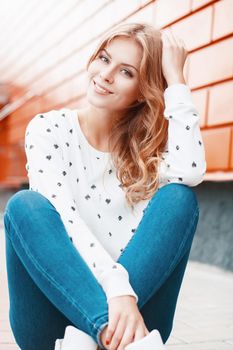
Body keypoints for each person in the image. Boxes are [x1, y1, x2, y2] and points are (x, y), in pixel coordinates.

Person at [3, 22, 206, 350]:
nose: (106, 74)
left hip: (134, 313)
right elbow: (65, 219)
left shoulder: (150, 152)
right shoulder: (49, 129)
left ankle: (93, 337)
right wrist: (116, 291)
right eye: (103, 58)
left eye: (126, 71)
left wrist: (177, 83)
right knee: (25, 206)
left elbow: (192, 171)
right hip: (54, 326)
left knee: (179, 199)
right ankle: (103, 329)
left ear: (144, 89)